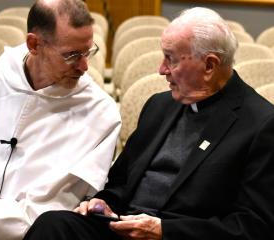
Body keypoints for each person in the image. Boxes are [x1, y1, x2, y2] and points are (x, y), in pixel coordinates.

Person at [23, 7, 274, 240]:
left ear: (209, 65)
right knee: (53, 225)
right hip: (125, 227)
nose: (161, 69)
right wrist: (102, 203)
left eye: (171, 59)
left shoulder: (261, 123)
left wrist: (164, 230)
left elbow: (253, 226)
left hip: (179, 235)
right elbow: (120, 184)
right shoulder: (160, 105)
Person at [0, 0, 121, 239]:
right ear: (34, 44)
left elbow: (54, 208)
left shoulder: (100, 113)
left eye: (88, 51)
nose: (84, 66)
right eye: (71, 55)